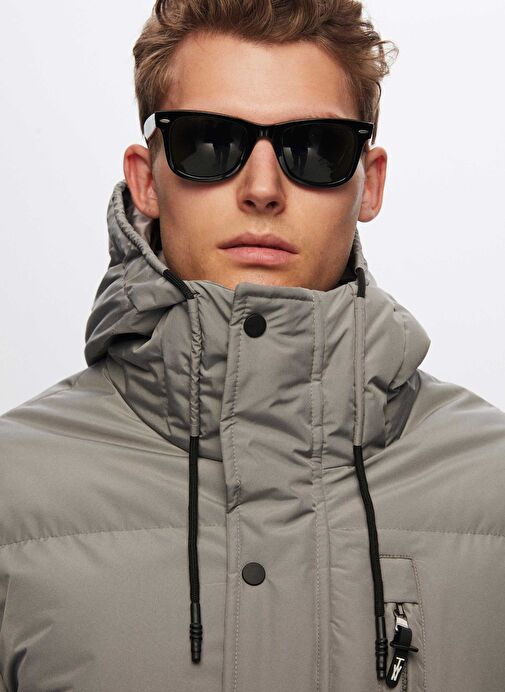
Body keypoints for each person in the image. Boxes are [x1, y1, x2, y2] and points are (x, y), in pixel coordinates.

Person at [1, 0, 504, 690]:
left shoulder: (492, 487)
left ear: (369, 182)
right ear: (146, 179)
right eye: (207, 143)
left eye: (316, 149)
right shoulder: (14, 493)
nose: (262, 189)